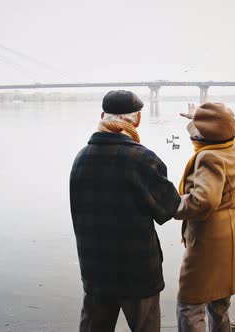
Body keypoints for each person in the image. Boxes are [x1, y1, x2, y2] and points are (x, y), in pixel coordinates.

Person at [70, 90, 181, 332]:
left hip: (95, 270)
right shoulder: (142, 159)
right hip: (139, 271)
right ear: (137, 120)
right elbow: (169, 208)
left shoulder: (81, 158)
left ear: (102, 115)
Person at [175, 102, 235, 332]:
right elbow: (211, 131)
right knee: (219, 303)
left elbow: (201, 202)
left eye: (198, 125)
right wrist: (198, 117)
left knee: (189, 304)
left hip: (210, 246)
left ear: (206, 132)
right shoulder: (234, 148)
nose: (194, 129)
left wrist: (169, 204)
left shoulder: (209, 158)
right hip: (233, 240)